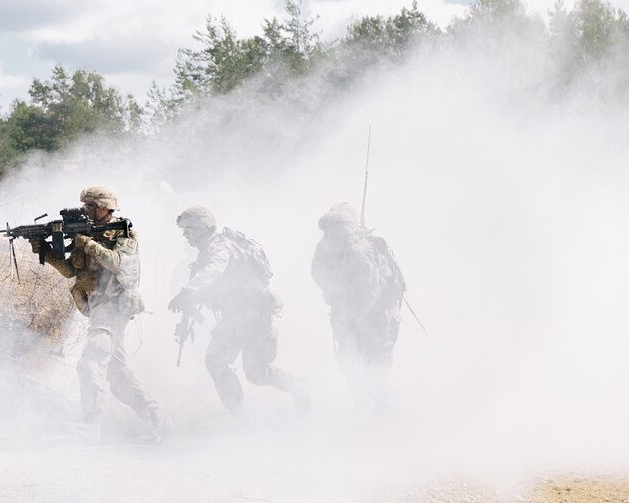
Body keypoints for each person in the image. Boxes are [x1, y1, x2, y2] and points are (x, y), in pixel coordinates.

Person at [30, 185, 166, 441]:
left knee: (91, 361)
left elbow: (117, 263)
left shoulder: (123, 233)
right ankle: (157, 420)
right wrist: (46, 252)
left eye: (90, 206)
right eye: (85, 206)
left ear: (104, 207)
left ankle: (90, 426)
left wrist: (88, 243)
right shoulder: (87, 233)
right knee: (117, 376)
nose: (86, 211)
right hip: (98, 308)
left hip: (115, 307)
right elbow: (72, 270)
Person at [169, 205, 310, 416]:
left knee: (256, 374)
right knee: (215, 361)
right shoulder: (207, 250)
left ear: (200, 227)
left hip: (253, 315)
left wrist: (188, 291)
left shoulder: (219, 247)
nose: (185, 234)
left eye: (188, 229)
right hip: (233, 317)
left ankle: (297, 387)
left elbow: (214, 270)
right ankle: (238, 415)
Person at [310, 202, 405, 409]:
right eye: (328, 229)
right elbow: (316, 272)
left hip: (378, 319)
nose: (329, 234)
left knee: (375, 368)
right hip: (349, 316)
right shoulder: (327, 246)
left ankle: (390, 411)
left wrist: (352, 318)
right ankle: (365, 404)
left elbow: (370, 291)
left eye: (335, 228)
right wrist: (333, 293)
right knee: (348, 361)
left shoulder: (359, 252)